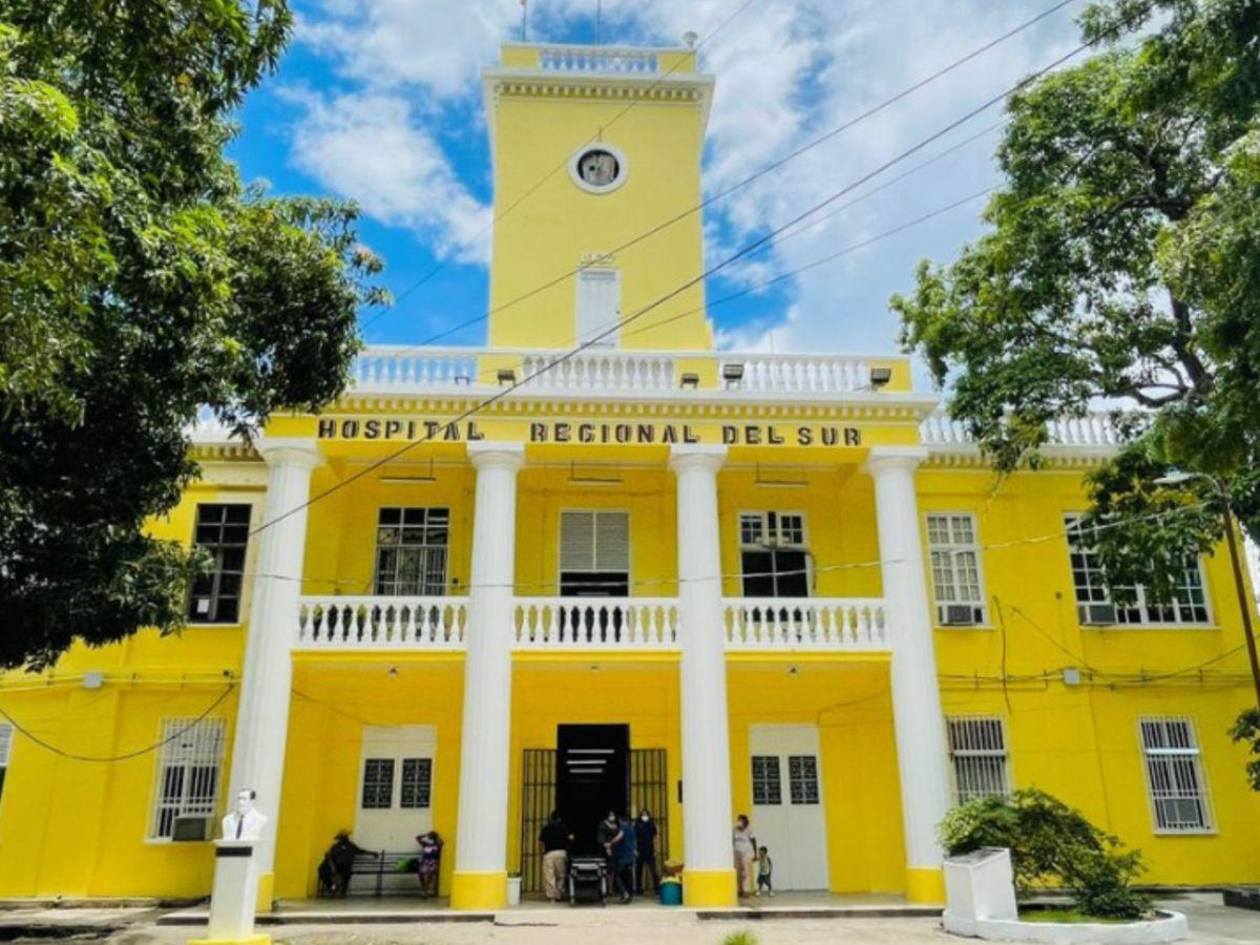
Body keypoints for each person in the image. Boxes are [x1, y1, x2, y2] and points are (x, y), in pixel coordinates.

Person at [317, 830, 366, 897]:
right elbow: (329, 857)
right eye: (344, 837)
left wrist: (371, 853)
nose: (346, 839)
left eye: (346, 837)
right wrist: (333, 867)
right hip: (335, 867)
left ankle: (340, 890)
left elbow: (359, 851)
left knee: (346, 874)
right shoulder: (335, 847)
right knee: (323, 871)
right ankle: (333, 888)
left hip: (345, 868)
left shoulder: (350, 846)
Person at [538, 811, 572, 902]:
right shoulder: (563, 828)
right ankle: (559, 895)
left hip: (549, 853)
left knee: (549, 876)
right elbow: (570, 839)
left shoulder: (546, 828)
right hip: (561, 853)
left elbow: (540, 842)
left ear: (551, 818)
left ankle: (552, 896)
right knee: (561, 875)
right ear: (559, 819)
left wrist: (541, 852)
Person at [597, 810, 624, 901]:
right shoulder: (603, 825)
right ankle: (607, 889)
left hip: (616, 850)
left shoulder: (616, 825)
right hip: (607, 851)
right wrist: (607, 848)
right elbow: (602, 839)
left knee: (614, 870)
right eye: (610, 815)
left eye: (613, 815)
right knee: (607, 870)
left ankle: (612, 888)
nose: (612, 817)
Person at [634, 807, 660, 895]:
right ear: (640, 815)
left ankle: (657, 889)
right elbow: (634, 838)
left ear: (648, 815)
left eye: (646, 814)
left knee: (653, 870)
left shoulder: (651, 824)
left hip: (650, 850)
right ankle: (638, 889)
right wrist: (635, 849)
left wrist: (656, 850)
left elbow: (655, 838)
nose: (644, 816)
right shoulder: (637, 824)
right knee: (638, 871)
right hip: (640, 850)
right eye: (643, 814)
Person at [614, 813, 637, 904]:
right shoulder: (632, 829)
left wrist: (611, 842)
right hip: (630, 857)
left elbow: (619, 837)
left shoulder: (624, 828)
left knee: (617, 875)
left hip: (623, 856)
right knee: (627, 876)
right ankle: (629, 894)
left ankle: (624, 893)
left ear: (621, 821)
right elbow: (634, 842)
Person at [732, 814, 757, 897]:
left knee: (745, 872)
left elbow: (753, 841)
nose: (739, 822)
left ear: (745, 821)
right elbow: (732, 840)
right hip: (737, 852)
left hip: (746, 853)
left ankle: (746, 890)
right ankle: (739, 890)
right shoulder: (735, 829)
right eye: (738, 820)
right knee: (738, 871)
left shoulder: (749, 829)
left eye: (741, 820)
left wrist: (755, 853)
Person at [416, 830, 443, 897]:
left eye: (431, 835)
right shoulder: (426, 845)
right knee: (421, 874)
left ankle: (426, 891)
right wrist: (426, 835)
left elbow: (441, 842)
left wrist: (436, 836)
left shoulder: (437, 845)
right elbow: (418, 838)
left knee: (430, 874)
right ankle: (424, 888)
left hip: (433, 861)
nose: (430, 836)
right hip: (425, 861)